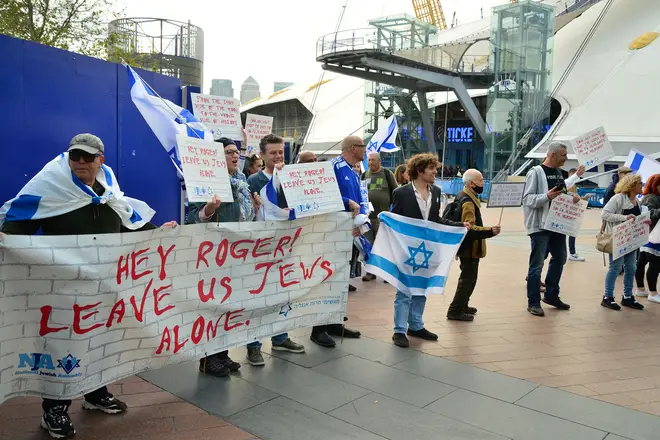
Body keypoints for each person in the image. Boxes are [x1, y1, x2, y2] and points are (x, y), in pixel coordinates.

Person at [0, 134, 177, 439]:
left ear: (100, 160)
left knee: (102, 339)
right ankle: (54, 409)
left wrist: (159, 233)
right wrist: (5, 236)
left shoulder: (108, 190)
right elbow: (19, 222)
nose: (79, 162)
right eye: (74, 156)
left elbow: (127, 222)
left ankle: (96, 393)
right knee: (62, 343)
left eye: (86, 157)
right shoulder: (51, 187)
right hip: (64, 287)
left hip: (104, 283)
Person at [186, 137, 261, 377]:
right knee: (215, 306)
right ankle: (208, 359)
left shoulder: (241, 183)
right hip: (215, 257)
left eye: (236, 152)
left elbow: (243, 219)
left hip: (236, 255)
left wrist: (255, 208)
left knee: (230, 305)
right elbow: (191, 218)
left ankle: (223, 353)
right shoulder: (206, 183)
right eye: (229, 152)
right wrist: (209, 209)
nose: (234, 156)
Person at [390, 153, 470, 347]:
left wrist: (459, 225)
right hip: (406, 248)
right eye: (432, 168)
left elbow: (436, 219)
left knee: (421, 288)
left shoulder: (436, 191)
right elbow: (394, 221)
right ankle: (399, 330)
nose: (435, 172)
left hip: (427, 249)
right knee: (404, 290)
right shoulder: (401, 193)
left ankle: (416, 325)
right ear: (420, 171)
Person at [245, 134, 306, 365]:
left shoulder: (292, 178)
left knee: (283, 294)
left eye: (280, 152)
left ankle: (280, 337)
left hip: (286, 248)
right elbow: (247, 217)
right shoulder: (253, 181)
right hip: (260, 250)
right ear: (262, 155)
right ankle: (253, 345)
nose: (278, 156)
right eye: (273, 152)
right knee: (258, 299)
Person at [309, 135, 365, 348]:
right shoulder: (333, 167)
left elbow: (360, 199)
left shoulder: (354, 170)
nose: (365, 150)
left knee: (342, 279)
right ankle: (318, 328)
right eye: (362, 147)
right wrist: (345, 202)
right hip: (331, 231)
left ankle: (334, 320)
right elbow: (320, 193)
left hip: (348, 231)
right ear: (352, 148)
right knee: (327, 279)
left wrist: (361, 221)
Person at [522, 142, 585, 317]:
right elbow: (527, 199)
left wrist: (571, 197)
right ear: (553, 155)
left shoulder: (558, 173)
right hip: (539, 226)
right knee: (537, 264)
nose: (566, 158)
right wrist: (546, 196)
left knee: (560, 258)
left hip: (557, 224)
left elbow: (561, 194)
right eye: (564, 155)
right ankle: (533, 302)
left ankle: (551, 295)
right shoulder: (535, 172)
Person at [446, 169, 501, 321]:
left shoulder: (463, 196)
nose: (483, 183)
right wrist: (490, 230)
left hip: (466, 247)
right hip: (469, 248)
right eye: (481, 181)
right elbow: (469, 227)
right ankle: (455, 310)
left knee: (469, 278)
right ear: (471, 184)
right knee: (467, 279)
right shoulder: (468, 202)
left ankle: (463, 305)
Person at [601, 173, 650, 310]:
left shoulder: (637, 201)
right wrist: (624, 218)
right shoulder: (618, 198)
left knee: (631, 267)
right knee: (615, 267)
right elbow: (604, 214)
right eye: (640, 183)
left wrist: (645, 221)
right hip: (618, 238)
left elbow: (636, 218)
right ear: (632, 185)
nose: (642, 185)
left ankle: (627, 296)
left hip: (631, 239)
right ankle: (607, 297)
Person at [361, 152, 397, 282]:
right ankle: (370, 271)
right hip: (368, 217)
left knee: (384, 245)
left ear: (379, 161)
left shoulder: (387, 174)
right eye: (369, 160)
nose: (370, 163)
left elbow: (395, 192)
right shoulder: (364, 175)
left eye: (373, 160)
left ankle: (388, 273)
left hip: (382, 217)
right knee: (369, 245)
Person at [634, 174, 660, 302]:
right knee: (654, 263)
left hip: (649, 235)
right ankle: (652, 293)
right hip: (652, 236)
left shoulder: (651, 197)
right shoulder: (651, 198)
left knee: (641, 263)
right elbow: (648, 214)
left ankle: (641, 289)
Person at [567, 168, 587, 262]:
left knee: (571, 232)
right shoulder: (568, 184)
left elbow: (576, 198)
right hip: (567, 212)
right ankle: (572, 253)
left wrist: (583, 198)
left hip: (571, 211)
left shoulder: (573, 185)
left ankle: (572, 253)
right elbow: (570, 197)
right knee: (571, 232)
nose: (576, 176)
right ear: (570, 174)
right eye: (574, 174)